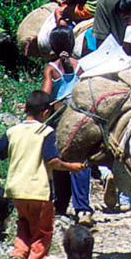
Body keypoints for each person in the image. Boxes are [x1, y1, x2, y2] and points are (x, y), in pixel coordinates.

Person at [0, 91, 85, 259]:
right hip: (39, 192)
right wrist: (71, 167)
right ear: (46, 112)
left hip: (16, 191)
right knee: (42, 233)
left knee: (24, 224)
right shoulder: (46, 132)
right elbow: (53, 162)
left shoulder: (13, 131)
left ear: (24, 108)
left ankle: (19, 253)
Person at [41, 27, 94, 227]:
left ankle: (60, 205)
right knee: (80, 160)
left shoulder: (51, 69)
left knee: (60, 160)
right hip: (80, 119)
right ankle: (83, 210)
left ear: (52, 46)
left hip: (59, 120)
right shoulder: (82, 66)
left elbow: (46, 96)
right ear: (72, 45)